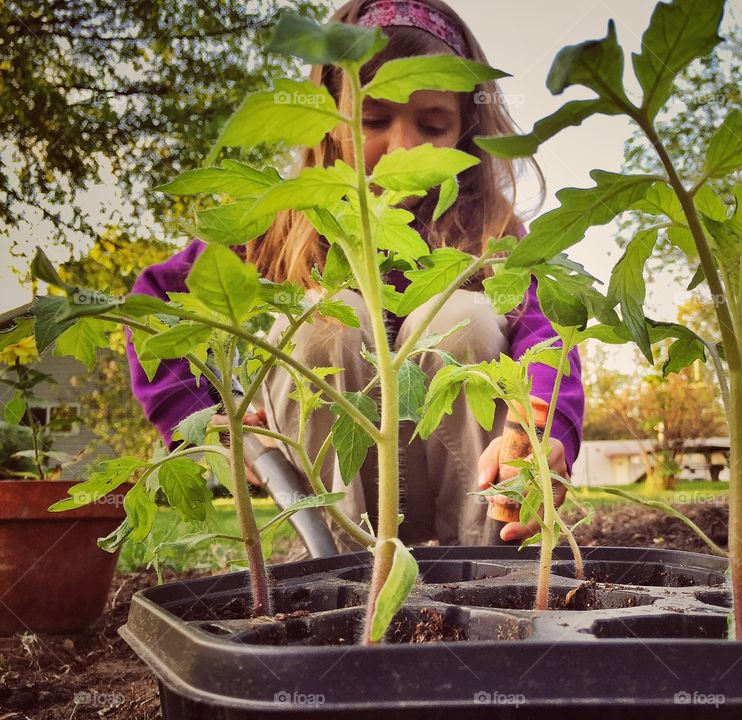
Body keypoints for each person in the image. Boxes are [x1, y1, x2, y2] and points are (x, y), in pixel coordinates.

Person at [125, 0, 584, 553]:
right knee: (324, 321)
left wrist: (538, 431)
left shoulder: (495, 230)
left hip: (471, 491)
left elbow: (549, 339)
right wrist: (209, 421)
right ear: (328, 120)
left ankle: (484, 575)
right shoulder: (277, 221)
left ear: (466, 129)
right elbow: (155, 307)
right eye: (373, 119)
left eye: (433, 124)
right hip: (333, 504)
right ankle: (339, 576)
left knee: (462, 318)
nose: (403, 147)